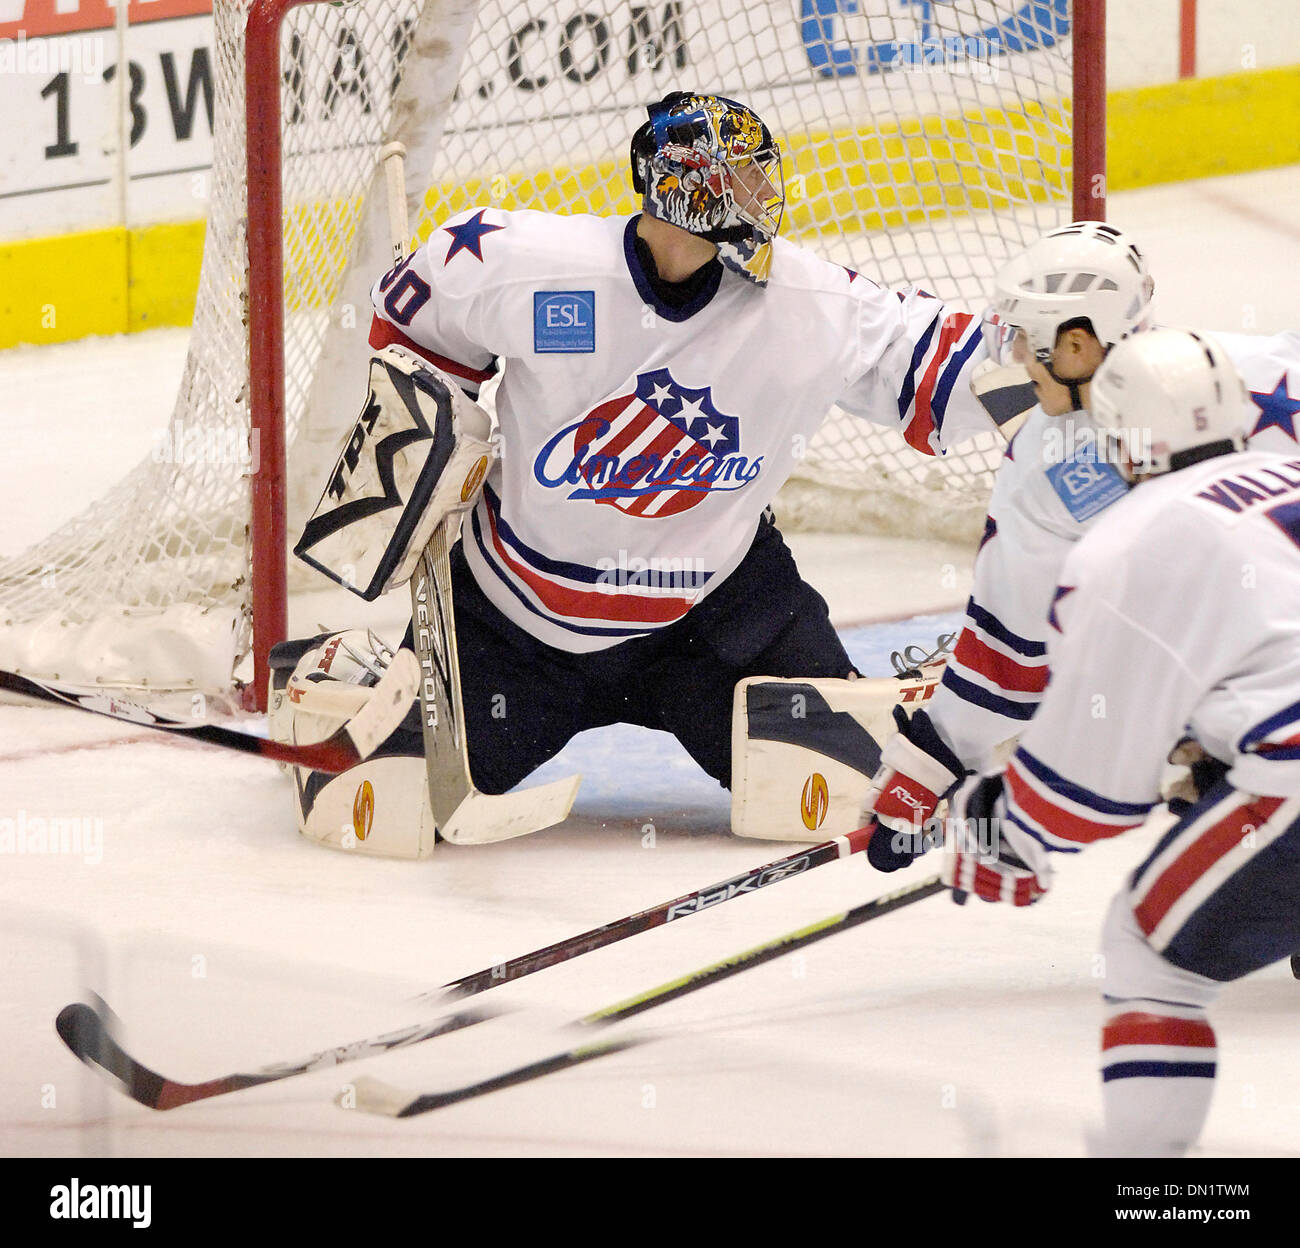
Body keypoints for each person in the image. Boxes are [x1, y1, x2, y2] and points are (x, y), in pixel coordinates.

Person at [282, 89, 1016, 852]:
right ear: (685, 188)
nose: (765, 198)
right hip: (516, 628)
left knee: (855, 797)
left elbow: (941, 363)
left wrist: (1062, 353)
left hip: (718, 625)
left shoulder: (808, 302)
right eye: (743, 180)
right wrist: (439, 414)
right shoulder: (529, 268)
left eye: (763, 178)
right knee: (372, 804)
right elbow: (410, 319)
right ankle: (337, 667)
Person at [942, 327, 1300, 1156]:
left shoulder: (1133, 540)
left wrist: (1005, 830)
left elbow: (1085, 797)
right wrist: (1221, 759)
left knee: (1147, 960)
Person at [863, 221, 1300, 870]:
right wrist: (932, 759)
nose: (1013, 360)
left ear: (1075, 344)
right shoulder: (1047, 462)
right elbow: (1012, 643)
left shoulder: (1264, 381)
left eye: (1026, 342)